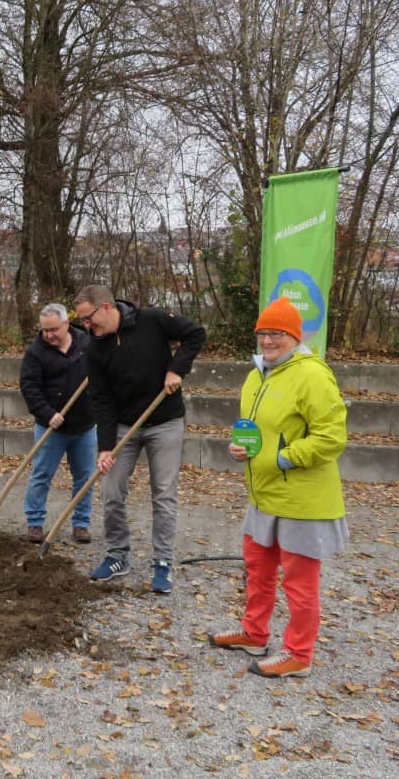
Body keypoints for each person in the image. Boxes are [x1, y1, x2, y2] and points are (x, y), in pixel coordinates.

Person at [208, 296, 348, 678]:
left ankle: (299, 654)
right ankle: (254, 633)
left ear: (293, 336)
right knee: (258, 568)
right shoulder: (256, 376)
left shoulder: (313, 375)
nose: (267, 341)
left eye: (276, 334)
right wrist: (241, 449)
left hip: (301, 499)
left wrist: (284, 457)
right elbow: (256, 431)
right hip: (263, 494)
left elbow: (332, 438)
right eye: (262, 334)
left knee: (300, 583)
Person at [72, 285, 206, 593]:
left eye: (88, 319)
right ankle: (118, 555)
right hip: (122, 426)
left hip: (165, 421)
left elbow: (195, 333)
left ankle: (162, 562)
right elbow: (101, 399)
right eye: (82, 322)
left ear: (106, 307)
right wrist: (106, 447)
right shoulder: (94, 348)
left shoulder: (153, 320)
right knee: (112, 491)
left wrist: (176, 369)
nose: (86, 327)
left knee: (163, 494)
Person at [19, 303, 96, 544]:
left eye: (53, 329)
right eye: (44, 330)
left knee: (85, 477)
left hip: (84, 425)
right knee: (41, 474)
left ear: (66, 324)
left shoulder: (88, 345)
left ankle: (81, 524)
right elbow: (29, 387)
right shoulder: (36, 352)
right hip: (51, 427)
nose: (49, 335)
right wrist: (47, 413)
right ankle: (35, 523)